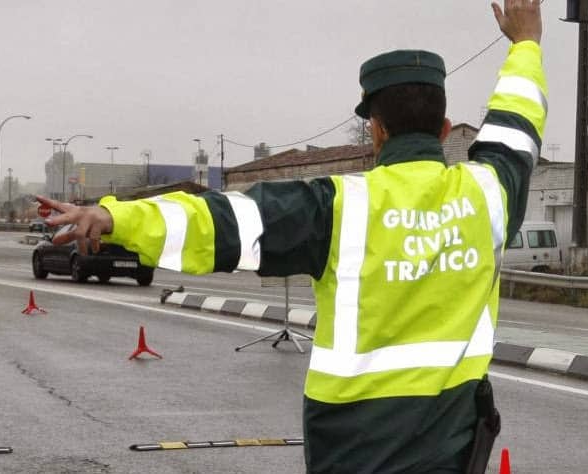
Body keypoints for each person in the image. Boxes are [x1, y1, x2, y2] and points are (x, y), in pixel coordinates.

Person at [39, 1, 546, 472]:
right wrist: (525, 43)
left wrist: (115, 219)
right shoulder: (490, 195)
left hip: (355, 452)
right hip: (452, 449)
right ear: (445, 129)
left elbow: (219, 221)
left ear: (376, 131)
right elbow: (516, 126)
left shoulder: (337, 206)